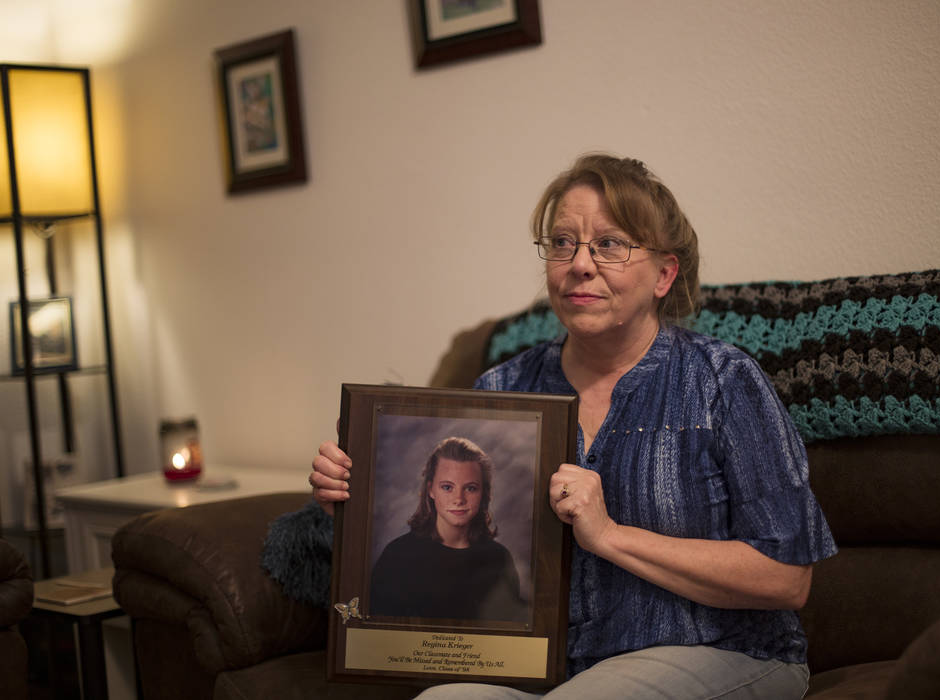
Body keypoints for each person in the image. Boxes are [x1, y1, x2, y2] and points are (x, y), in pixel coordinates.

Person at [307, 153, 837, 699]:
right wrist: (354, 500)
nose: (580, 263)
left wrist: (609, 536)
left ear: (664, 273)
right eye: (563, 243)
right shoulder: (504, 391)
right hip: (546, 667)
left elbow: (786, 576)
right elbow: (462, 539)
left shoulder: (722, 380)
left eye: (609, 244)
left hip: (723, 649)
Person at [369, 436, 528, 622]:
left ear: (484, 493)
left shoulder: (499, 559)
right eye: (447, 487)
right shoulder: (397, 556)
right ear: (430, 490)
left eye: (470, 488)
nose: (458, 499)